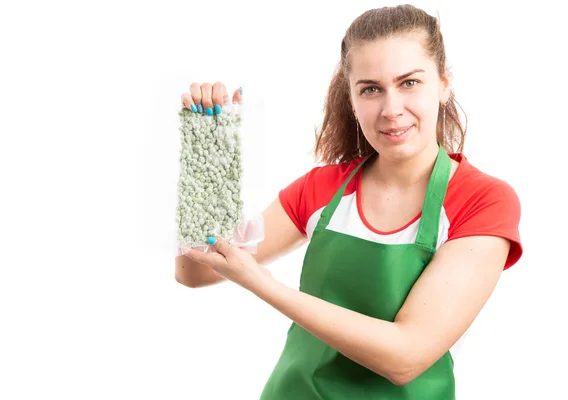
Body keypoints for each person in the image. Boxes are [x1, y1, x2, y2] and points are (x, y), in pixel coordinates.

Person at [175, 4, 522, 399]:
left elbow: (406, 356)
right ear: (352, 99)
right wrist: (207, 156)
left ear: (443, 84)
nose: (391, 110)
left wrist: (262, 284)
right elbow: (195, 271)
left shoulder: (482, 201)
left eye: (409, 83)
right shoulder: (322, 189)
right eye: (371, 89)